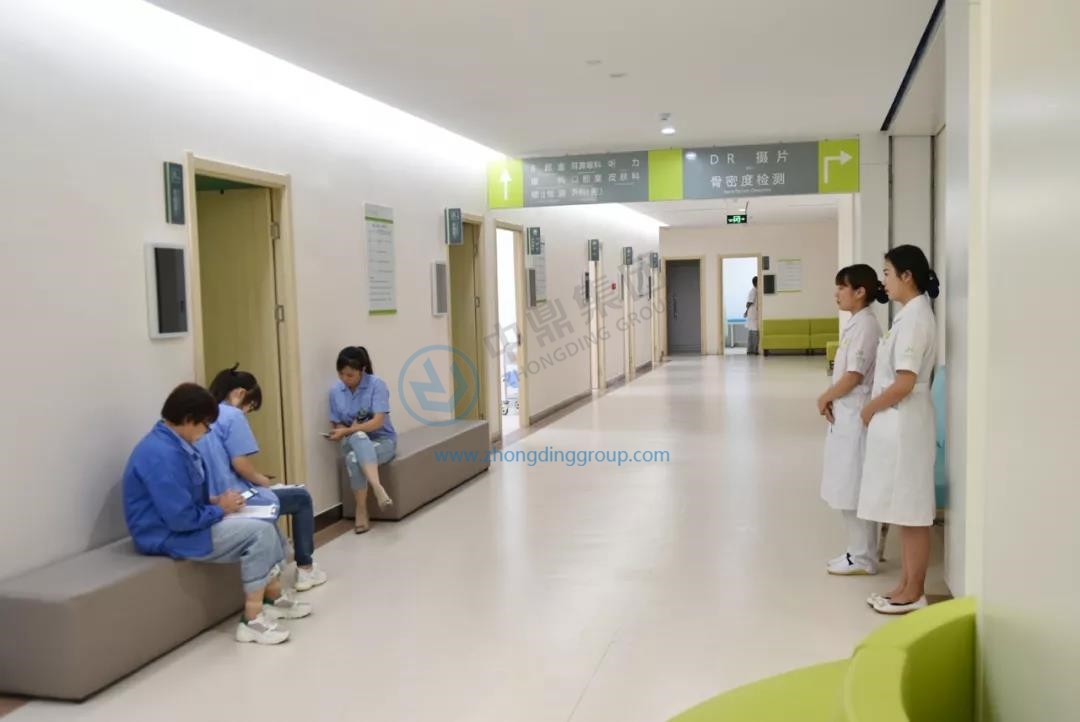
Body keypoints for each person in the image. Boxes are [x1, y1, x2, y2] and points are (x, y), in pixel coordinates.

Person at [122, 383, 312, 645]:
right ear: (189, 419)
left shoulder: (174, 444)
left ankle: (273, 597)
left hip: (185, 523)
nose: (207, 431)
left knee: (266, 519)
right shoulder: (160, 455)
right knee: (260, 533)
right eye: (205, 425)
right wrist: (220, 509)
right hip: (166, 535)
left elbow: (184, 499)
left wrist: (217, 502)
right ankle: (252, 620)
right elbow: (180, 519)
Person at [857, 245, 940, 615]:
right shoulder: (909, 315)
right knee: (903, 510)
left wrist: (869, 409)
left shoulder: (917, 319)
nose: (884, 281)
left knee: (913, 511)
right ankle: (905, 585)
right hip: (899, 424)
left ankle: (915, 592)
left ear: (907, 276)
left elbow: (905, 382)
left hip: (906, 422)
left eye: (888, 273)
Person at [204, 366, 328, 592]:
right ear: (240, 393)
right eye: (250, 406)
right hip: (235, 496)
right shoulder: (232, 415)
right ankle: (306, 569)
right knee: (301, 498)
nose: (247, 412)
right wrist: (262, 480)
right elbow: (240, 463)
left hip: (211, 497)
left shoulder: (204, 416)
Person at [817, 265, 886, 576]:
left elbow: (854, 375)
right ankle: (856, 552)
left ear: (860, 292)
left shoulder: (866, 326)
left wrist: (825, 396)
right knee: (845, 485)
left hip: (855, 414)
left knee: (854, 486)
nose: (837, 294)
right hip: (846, 413)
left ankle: (862, 557)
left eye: (842, 287)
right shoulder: (856, 323)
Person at [328, 346, 397, 534]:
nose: (345, 379)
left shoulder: (377, 385)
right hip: (351, 440)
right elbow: (338, 423)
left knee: (353, 459)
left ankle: (361, 510)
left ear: (362, 370)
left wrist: (350, 429)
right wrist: (341, 431)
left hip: (382, 441)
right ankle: (377, 487)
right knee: (358, 437)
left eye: (350, 375)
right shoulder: (335, 391)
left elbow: (378, 421)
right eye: (341, 374)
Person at [745, 276, 760, 355]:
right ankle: (754, 350)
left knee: (752, 332)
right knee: (754, 332)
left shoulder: (756, 290)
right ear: (756, 283)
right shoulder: (753, 291)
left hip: (753, 313)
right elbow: (749, 302)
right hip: (752, 314)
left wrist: (746, 311)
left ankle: (750, 350)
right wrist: (746, 311)